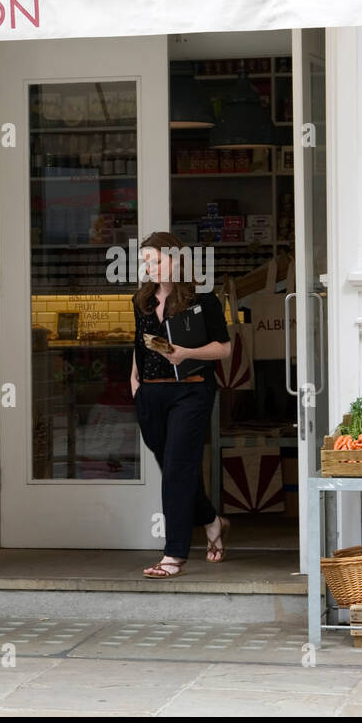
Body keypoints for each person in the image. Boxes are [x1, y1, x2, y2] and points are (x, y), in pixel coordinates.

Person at [131, 231, 233, 578]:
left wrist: (187, 353)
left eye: (156, 260)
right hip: (151, 394)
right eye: (145, 262)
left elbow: (224, 348)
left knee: (177, 469)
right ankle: (211, 520)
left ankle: (173, 555)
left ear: (175, 259)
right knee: (175, 468)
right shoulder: (142, 300)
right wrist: (135, 385)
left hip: (191, 391)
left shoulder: (203, 300)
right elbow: (139, 346)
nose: (150, 268)